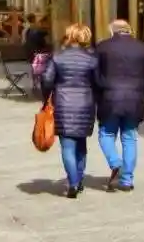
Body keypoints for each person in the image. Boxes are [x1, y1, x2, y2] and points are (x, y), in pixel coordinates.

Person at [94, 19, 144, 192]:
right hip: (134, 100)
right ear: (129, 30)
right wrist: (141, 90)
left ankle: (116, 163)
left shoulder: (102, 47)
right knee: (129, 137)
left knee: (106, 134)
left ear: (112, 31)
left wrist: (100, 91)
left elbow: (95, 75)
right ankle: (127, 180)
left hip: (109, 99)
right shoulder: (143, 48)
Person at [41, 23, 98, 199]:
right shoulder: (92, 59)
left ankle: (72, 183)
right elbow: (98, 82)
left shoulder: (58, 57)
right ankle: (79, 180)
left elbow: (47, 79)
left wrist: (46, 98)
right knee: (81, 145)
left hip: (64, 104)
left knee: (67, 145)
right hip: (85, 104)